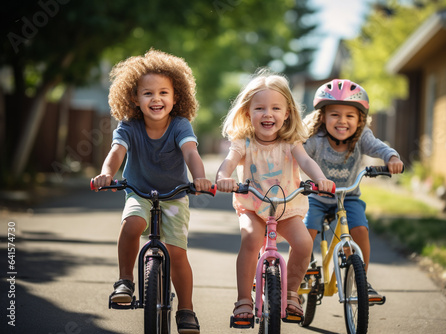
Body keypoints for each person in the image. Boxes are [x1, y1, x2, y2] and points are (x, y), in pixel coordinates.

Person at [91, 49, 212, 334]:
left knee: (176, 252)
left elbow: (191, 152)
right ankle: (124, 281)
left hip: (174, 195)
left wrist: (200, 178)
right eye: (147, 93)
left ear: (175, 96)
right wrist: (107, 173)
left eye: (163, 93)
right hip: (139, 191)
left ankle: (186, 309)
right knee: (133, 223)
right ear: (134, 98)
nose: (156, 99)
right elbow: (116, 151)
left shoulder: (180, 125)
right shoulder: (129, 126)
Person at [216, 69, 335, 327]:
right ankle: (243, 300)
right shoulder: (243, 142)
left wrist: (321, 179)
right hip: (254, 206)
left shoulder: (291, 142)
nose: (268, 114)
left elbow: (306, 161)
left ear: (287, 113)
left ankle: (292, 293)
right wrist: (224, 176)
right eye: (260, 108)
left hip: (286, 208)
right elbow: (228, 162)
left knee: (303, 243)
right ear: (248, 113)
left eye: (275, 108)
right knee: (250, 238)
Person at [303, 79, 404, 303]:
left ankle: (361, 280)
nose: (342, 121)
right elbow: (297, 154)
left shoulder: (361, 136)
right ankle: (298, 274)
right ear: (323, 117)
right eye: (335, 115)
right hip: (317, 198)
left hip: (348, 197)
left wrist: (392, 157)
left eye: (350, 116)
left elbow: (379, 147)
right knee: (305, 233)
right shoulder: (315, 139)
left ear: (360, 120)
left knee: (359, 230)